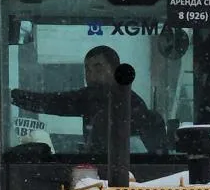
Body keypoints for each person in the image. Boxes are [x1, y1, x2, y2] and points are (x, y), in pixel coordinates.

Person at [10, 45, 168, 155]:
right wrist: (13, 96)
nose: (90, 75)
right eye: (87, 69)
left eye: (98, 68)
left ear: (115, 69)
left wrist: (12, 96)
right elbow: (52, 102)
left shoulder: (132, 105)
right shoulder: (92, 96)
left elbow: (52, 103)